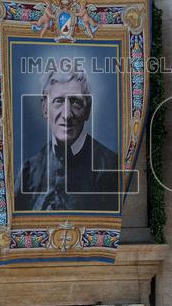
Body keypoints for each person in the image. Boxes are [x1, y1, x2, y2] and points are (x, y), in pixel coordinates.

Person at [14, 69, 119, 211]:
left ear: (88, 108)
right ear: (45, 107)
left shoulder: (111, 168)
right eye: (58, 101)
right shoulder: (29, 170)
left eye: (76, 102)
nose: (67, 115)